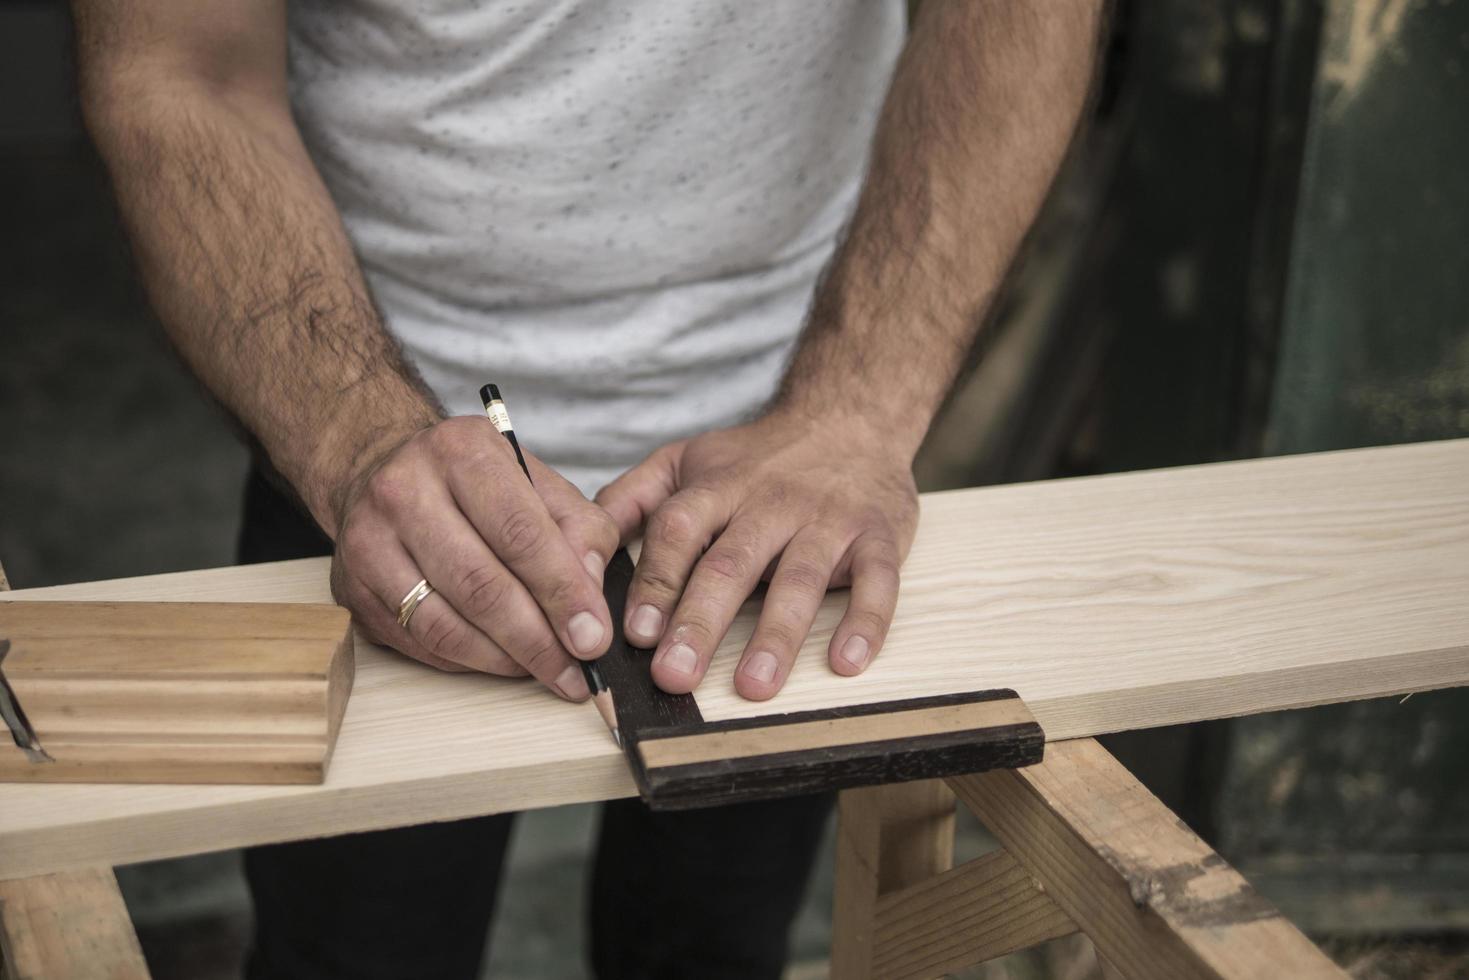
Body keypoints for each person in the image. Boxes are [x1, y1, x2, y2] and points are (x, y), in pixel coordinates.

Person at [72, 1, 1101, 976]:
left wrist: (859, 407)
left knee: (709, 947)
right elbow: (180, 66)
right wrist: (351, 438)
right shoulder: (364, 459)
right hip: (375, 469)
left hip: (789, 487)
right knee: (355, 953)